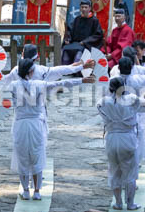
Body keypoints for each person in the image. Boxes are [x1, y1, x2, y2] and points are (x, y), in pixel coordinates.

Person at [7, 58, 95, 200]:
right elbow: (61, 83)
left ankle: (25, 190)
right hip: (36, 124)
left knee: (22, 156)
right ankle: (36, 191)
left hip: (20, 125)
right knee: (37, 154)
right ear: (31, 71)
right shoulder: (40, 84)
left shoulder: (12, 85)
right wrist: (81, 81)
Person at [97, 76, 145, 210]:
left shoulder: (102, 102)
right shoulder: (131, 100)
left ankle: (118, 202)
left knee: (114, 170)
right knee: (130, 173)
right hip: (127, 138)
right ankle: (130, 203)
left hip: (111, 138)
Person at [62, 0, 104, 64]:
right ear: (80, 8)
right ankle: (65, 70)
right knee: (65, 49)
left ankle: (76, 72)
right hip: (75, 43)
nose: (84, 9)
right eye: (82, 7)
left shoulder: (94, 20)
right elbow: (70, 30)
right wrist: (68, 39)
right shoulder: (77, 19)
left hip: (87, 45)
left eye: (86, 7)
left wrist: (85, 42)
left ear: (90, 8)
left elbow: (98, 35)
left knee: (79, 54)